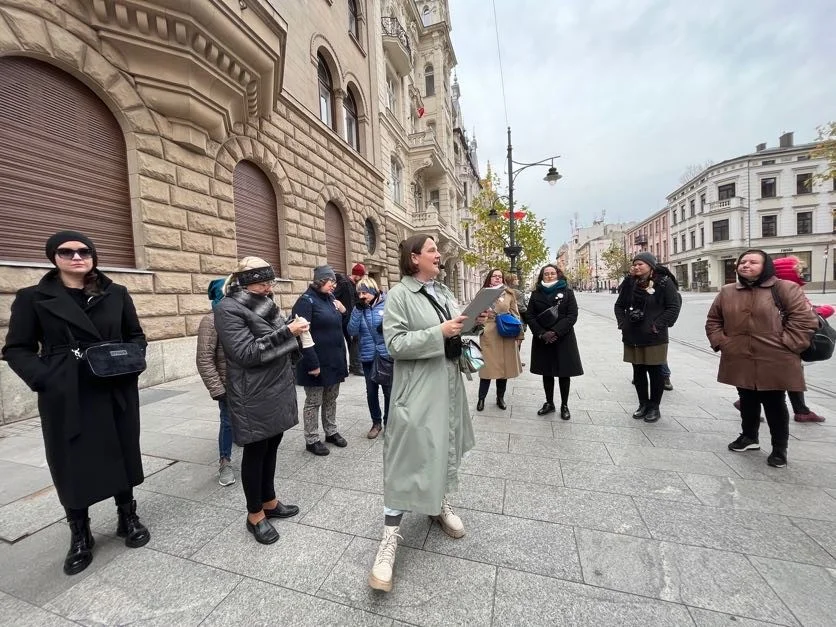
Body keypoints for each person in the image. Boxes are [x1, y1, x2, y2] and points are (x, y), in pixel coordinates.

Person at [2, 231, 150, 575]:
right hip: (67, 392)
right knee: (71, 460)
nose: (76, 257)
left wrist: (132, 360)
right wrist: (47, 378)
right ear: (53, 257)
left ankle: (127, 516)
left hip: (114, 385)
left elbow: (135, 334)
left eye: (84, 251)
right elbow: (16, 349)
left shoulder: (116, 293)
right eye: (66, 252)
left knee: (122, 449)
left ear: (93, 256)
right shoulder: (32, 298)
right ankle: (80, 532)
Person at [368, 234, 487, 592]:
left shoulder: (443, 292)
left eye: (437, 250)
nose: (438, 255)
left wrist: (473, 323)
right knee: (407, 459)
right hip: (417, 393)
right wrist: (439, 332)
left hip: (448, 386)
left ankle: (438, 504)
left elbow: (457, 332)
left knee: (444, 447)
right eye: (432, 250)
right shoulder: (399, 295)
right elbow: (395, 345)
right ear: (414, 257)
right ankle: (389, 540)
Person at [214, 257, 305, 544]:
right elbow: (245, 353)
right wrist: (287, 332)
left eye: (269, 283)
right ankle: (254, 515)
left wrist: (290, 328)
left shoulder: (263, 301)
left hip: (275, 386)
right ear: (244, 282)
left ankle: (269, 502)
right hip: (252, 393)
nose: (268, 288)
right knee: (255, 452)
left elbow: (271, 336)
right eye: (263, 283)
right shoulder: (227, 308)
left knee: (272, 445)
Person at [706, 250, 818, 468]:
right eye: (743, 262)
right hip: (739, 355)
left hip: (775, 357)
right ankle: (749, 437)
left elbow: (804, 321)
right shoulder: (728, 291)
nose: (746, 265)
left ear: (765, 266)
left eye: (753, 262)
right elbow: (714, 320)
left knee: (774, 402)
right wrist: (722, 342)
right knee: (746, 398)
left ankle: (779, 448)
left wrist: (788, 344)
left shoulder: (785, 288)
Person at [729, 255, 832, 423]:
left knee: (788, 375)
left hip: (781, 344)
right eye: (799, 271)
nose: (802, 274)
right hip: (781, 345)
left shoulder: (779, 289)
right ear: (787, 273)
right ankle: (795, 410)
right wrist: (825, 310)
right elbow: (805, 315)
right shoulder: (785, 290)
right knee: (784, 377)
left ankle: (800, 410)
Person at [614, 252, 681, 423]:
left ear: (650, 266)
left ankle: (654, 407)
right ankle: (643, 404)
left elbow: (673, 307)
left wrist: (656, 325)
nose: (637, 267)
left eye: (641, 264)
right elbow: (619, 305)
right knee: (638, 372)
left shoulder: (663, 282)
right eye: (635, 264)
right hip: (633, 334)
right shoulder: (629, 283)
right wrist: (623, 323)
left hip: (654, 336)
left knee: (655, 372)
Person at [293, 265, 349, 456]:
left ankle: (331, 431)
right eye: (330, 281)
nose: (334, 285)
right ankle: (312, 439)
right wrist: (313, 363)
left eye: (334, 281)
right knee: (314, 401)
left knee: (331, 398)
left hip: (334, 360)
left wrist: (343, 310)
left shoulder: (331, 299)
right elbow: (303, 335)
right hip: (316, 361)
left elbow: (339, 326)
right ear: (319, 280)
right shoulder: (305, 301)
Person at [525, 265, 584, 419]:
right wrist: (541, 333)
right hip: (543, 339)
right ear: (542, 276)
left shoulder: (567, 292)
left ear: (558, 275)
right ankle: (549, 403)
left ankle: (565, 405)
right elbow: (530, 315)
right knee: (547, 372)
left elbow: (572, 315)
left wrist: (555, 331)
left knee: (564, 373)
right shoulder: (536, 293)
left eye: (552, 273)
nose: (549, 276)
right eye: (546, 274)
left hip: (563, 338)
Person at [196, 278, 236, 486]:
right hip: (227, 383)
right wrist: (217, 388)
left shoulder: (240, 314)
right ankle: (225, 461)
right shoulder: (211, 320)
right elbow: (204, 359)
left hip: (248, 382)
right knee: (227, 421)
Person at [347, 276, 391, 439]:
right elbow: (351, 331)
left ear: (373, 291)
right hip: (367, 357)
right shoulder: (359, 308)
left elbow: (399, 325)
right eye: (359, 293)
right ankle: (376, 423)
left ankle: (389, 424)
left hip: (385, 356)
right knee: (371, 392)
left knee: (389, 392)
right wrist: (357, 310)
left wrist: (386, 326)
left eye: (364, 292)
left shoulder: (388, 304)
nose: (361, 296)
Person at [476, 268, 523, 411]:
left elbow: (516, 314)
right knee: (487, 369)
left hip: (506, 333)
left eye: (500, 277)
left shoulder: (509, 294)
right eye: (494, 276)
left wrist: (519, 334)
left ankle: (500, 398)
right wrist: (480, 325)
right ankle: (481, 399)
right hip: (489, 333)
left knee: (504, 369)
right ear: (489, 278)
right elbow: (475, 314)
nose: (497, 278)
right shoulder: (483, 293)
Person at [334, 263, 366, 376]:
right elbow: (333, 296)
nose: (361, 278)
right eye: (361, 276)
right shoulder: (344, 284)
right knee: (354, 340)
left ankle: (354, 365)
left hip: (351, 317)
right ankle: (355, 366)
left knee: (353, 341)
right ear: (356, 275)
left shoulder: (354, 285)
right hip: (344, 318)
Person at [504, 272, 527, 367]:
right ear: (512, 281)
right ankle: (516, 361)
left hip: (507, 319)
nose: (518, 280)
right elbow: (521, 307)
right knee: (518, 341)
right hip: (518, 319)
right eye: (516, 279)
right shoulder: (517, 293)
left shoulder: (503, 291)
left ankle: (509, 361)